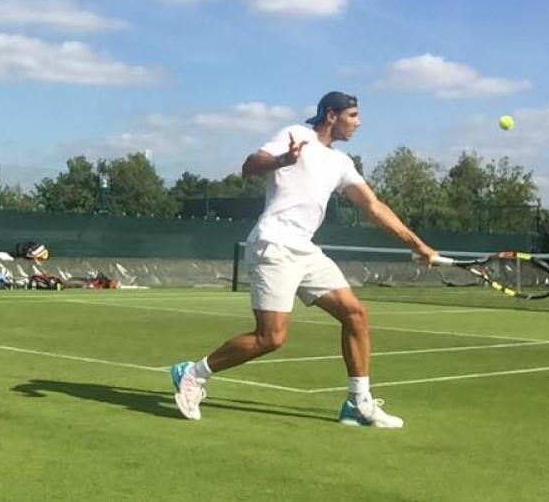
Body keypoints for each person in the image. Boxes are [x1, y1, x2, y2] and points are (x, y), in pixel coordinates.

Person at [170, 91, 439, 428]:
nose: (358, 123)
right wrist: (283, 160)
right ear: (331, 115)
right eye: (352, 115)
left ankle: (357, 404)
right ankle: (194, 374)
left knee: (355, 314)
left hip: (305, 249)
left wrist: (418, 245)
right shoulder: (295, 134)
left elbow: (373, 206)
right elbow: (250, 166)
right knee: (271, 337)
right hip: (274, 244)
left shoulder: (341, 163)